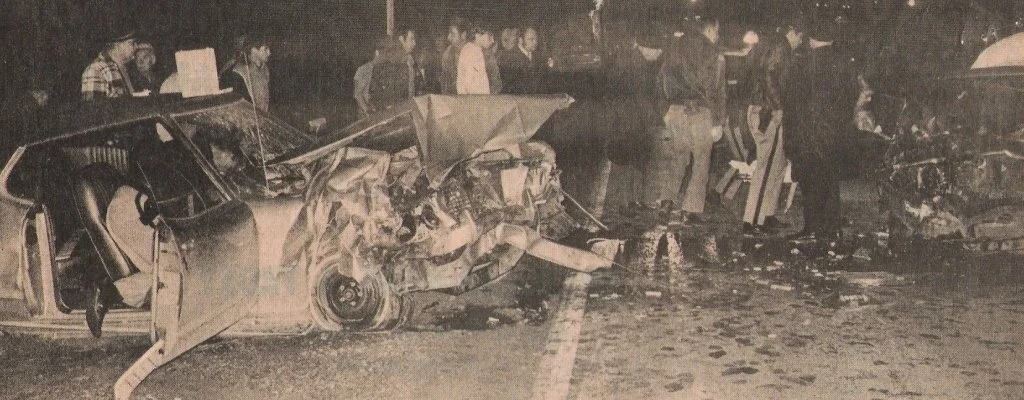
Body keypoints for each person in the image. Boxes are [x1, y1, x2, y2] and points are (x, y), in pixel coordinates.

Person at [643, 18, 727, 225]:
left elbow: (659, 81)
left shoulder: (674, 48)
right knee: (701, 161)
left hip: (675, 111)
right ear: (710, 30)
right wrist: (718, 122)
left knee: (678, 158)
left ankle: (666, 203)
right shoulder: (715, 54)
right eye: (717, 32)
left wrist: (665, 111)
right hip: (701, 112)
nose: (718, 37)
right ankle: (690, 210)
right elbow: (718, 90)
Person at [784, 18, 858, 243]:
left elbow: (794, 102)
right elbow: (851, 98)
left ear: (812, 40)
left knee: (810, 183)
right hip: (834, 134)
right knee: (831, 182)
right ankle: (832, 229)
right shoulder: (844, 63)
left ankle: (812, 228)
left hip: (809, 134)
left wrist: (792, 137)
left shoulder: (804, 64)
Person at [741, 21, 805, 236]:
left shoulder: (768, 44)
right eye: (800, 37)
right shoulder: (780, 47)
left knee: (777, 165)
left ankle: (766, 215)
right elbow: (769, 75)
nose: (800, 42)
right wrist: (778, 107)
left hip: (762, 108)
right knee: (768, 167)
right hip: (768, 112)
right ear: (792, 32)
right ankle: (752, 220)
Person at [81, 30, 138, 101]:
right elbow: (92, 107)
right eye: (132, 43)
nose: (136, 46)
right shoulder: (96, 69)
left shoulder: (128, 68)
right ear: (117, 45)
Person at [221, 35, 272, 112]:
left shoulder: (265, 69)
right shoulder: (238, 72)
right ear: (254, 50)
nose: (269, 53)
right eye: (265, 49)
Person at [368, 37, 413, 111]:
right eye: (389, 51)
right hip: (384, 111)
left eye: (399, 50)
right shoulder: (378, 69)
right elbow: (374, 94)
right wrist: (384, 106)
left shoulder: (404, 68)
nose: (391, 53)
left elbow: (405, 93)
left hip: (400, 110)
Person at [501, 27, 549, 94]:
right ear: (520, 40)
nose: (535, 42)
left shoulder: (538, 57)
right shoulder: (509, 57)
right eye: (531, 39)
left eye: (536, 39)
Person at [354, 36, 390, 117]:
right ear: (377, 52)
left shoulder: (385, 68)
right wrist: (367, 111)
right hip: (367, 115)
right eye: (385, 53)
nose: (387, 56)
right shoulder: (363, 70)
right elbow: (358, 95)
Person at [456, 26, 495, 94]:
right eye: (489, 37)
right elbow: (470, 85)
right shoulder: (471, 52)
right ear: (477, 35)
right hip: (474, 99)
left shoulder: (474, 50)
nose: (493, 40)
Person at [440, 17, 470, 94]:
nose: (448, 38)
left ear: (463, 35)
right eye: (449, 34)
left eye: (452, 34)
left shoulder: (474, 53)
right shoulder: (447, 55)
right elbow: (445, 86)